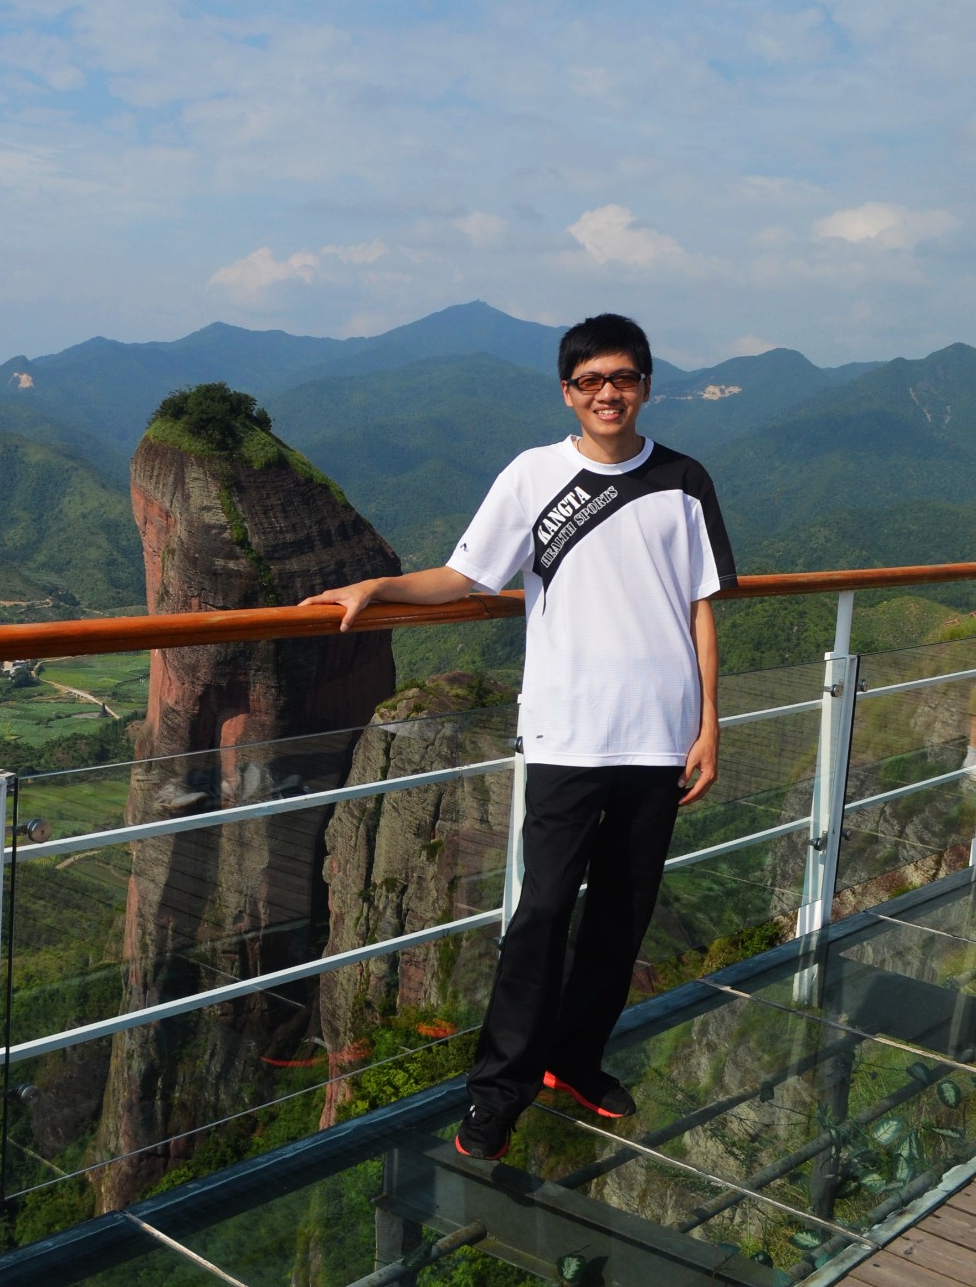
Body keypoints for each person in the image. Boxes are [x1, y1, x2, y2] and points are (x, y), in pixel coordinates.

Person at [300, 311, 736, 1160]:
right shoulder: (535, 475)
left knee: (623, 914)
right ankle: (496, 1092)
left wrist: (709, 723)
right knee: (539, 914)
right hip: (570, 734)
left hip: (660, 736)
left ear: (646, 384)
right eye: (590, 382)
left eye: (624, 378)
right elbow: (466, 576)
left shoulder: (685, 479)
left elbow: (701, 609)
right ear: (568, 392)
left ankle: (574, 1061)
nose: (608, 394)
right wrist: (380, 586)